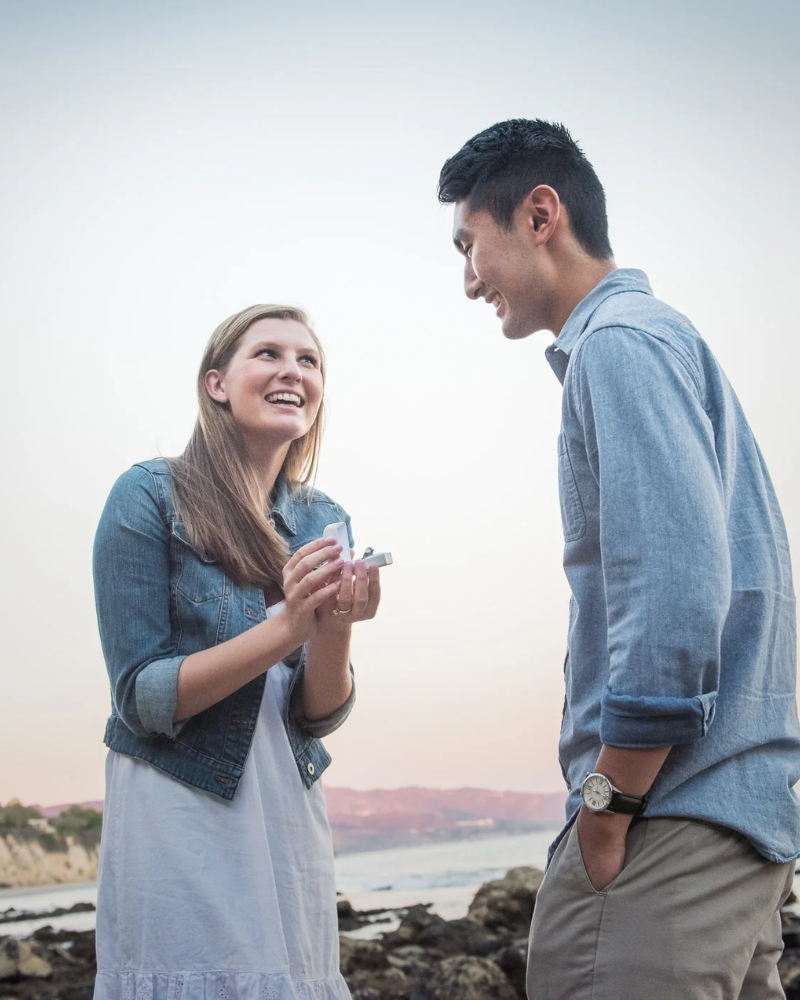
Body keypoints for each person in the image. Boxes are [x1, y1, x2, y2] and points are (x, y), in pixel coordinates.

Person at [437, 119, 800, 999]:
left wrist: (607, 808)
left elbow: (676, 597)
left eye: (468, 245)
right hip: (735, 823)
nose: (466, 280)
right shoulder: (663, 341)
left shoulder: (621, 345)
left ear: (538, 214)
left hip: (667, 822)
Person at [92, 304, 381, 1000]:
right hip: (181, 808)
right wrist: (287, 628)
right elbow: (142, 699)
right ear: (217, 383)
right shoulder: (147, 496)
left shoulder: (323, 516)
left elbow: (316, 715)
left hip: (286, 808)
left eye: (308, 361)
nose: (293, 371)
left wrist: (336, 626)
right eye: (270, 354)